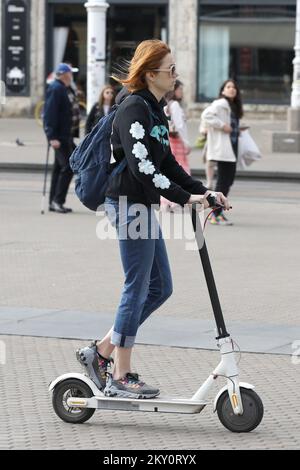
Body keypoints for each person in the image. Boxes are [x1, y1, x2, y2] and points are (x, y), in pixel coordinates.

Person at [76, 40, 230, 399]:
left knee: (160, 287)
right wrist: (184, 197)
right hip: (128, 204)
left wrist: (204, 191)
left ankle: (99, 353)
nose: (176, 75)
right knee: (137, 286)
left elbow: (167, 164)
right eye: (170, 70)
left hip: (142, 206)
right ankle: (122, 374)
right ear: (150, 74)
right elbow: (143, 168)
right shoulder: (133, 108)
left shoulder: (156, 108)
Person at [201, 79, 243, 226]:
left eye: (234, 87)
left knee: (228, 180)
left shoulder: (232, 106)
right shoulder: (221, 103)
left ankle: (217, 213)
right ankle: (215, 214)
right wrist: (222, 125)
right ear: (223, 90)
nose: (232, 89)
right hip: (224, 148)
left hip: (231, 147)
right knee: (223, 181)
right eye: (228, 87)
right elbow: (206, 115)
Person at [43, 63, 80, 213]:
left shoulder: (65, 88)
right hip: (59, 137)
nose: (72, 76)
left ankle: (54, 202)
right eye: (70, 73)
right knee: (68, 167)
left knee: (59, 168)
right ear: (65, 74)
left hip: (66, 135)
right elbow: (50, 114)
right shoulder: (56, 88)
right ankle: (57, 201)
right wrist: (52, 137)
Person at [161, 80, 192, 211]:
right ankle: (175, 200)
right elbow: (180, 126)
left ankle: (165, 200)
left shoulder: (165, 105)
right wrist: (186, 142)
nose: (181, 92)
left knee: (168, 171)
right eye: (180, 89)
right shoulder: (175, 105)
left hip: (168, 140)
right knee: (181, 171)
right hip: (177, 141)